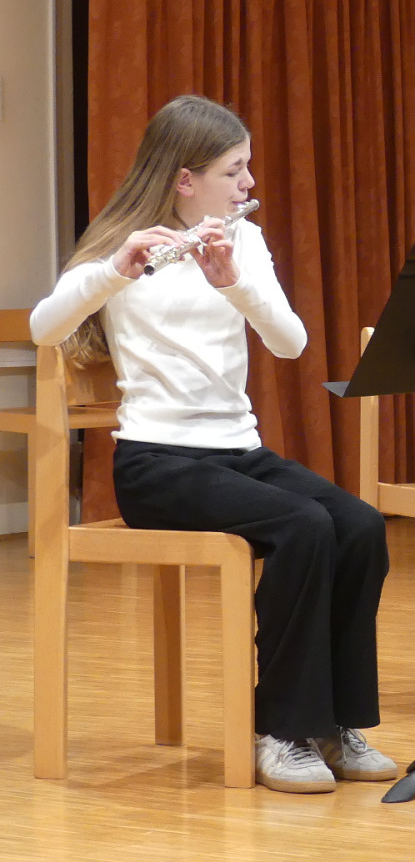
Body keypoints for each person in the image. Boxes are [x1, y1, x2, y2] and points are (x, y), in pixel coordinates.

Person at [30, 95, 396, 791]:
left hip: (237, 451)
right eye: (234, 171)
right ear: (184, 179)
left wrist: (235, 285)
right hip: (155, 462)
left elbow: (290, 344)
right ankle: (281, 729)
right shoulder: (123, 244)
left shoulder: (242, 241)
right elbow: (46, 328)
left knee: (358, 525)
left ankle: (335, 722)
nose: (248, 184)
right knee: (302, 526)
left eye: (246, 168)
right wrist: (116, 270)